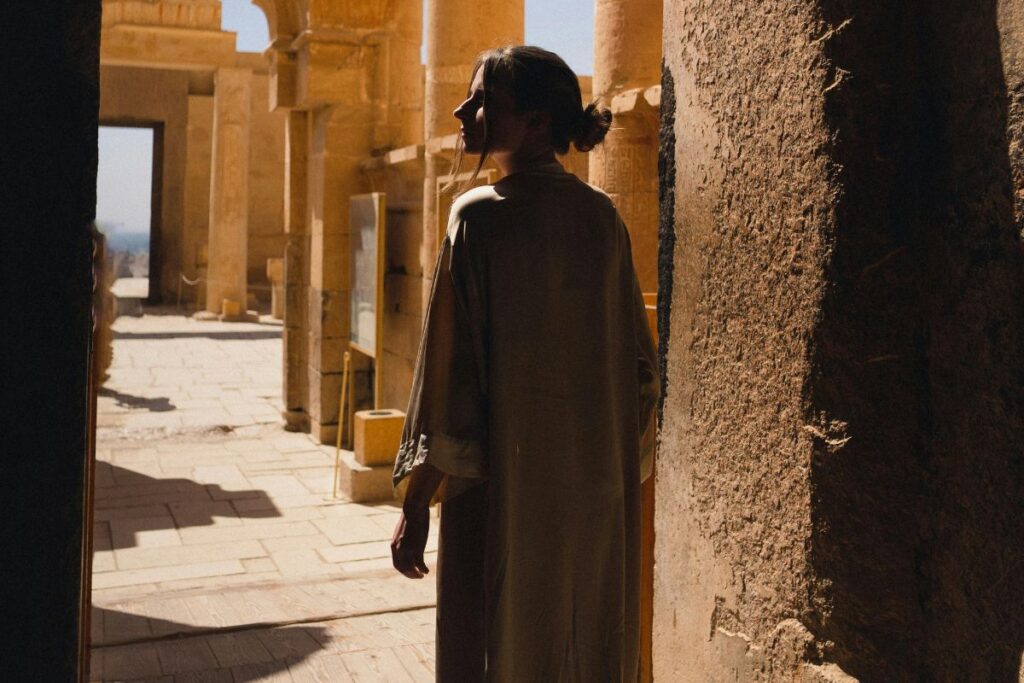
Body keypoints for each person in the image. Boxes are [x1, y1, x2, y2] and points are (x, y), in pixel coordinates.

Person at [390, 44, 659, 682]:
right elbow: (641, 375)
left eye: (483, 99)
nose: (462, 109)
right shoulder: (603, 218)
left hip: (500, 496)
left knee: (499, 644)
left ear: (536, 122)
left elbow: (449, 380)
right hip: (593, 498)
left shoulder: (477, 219)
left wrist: (417, 502)